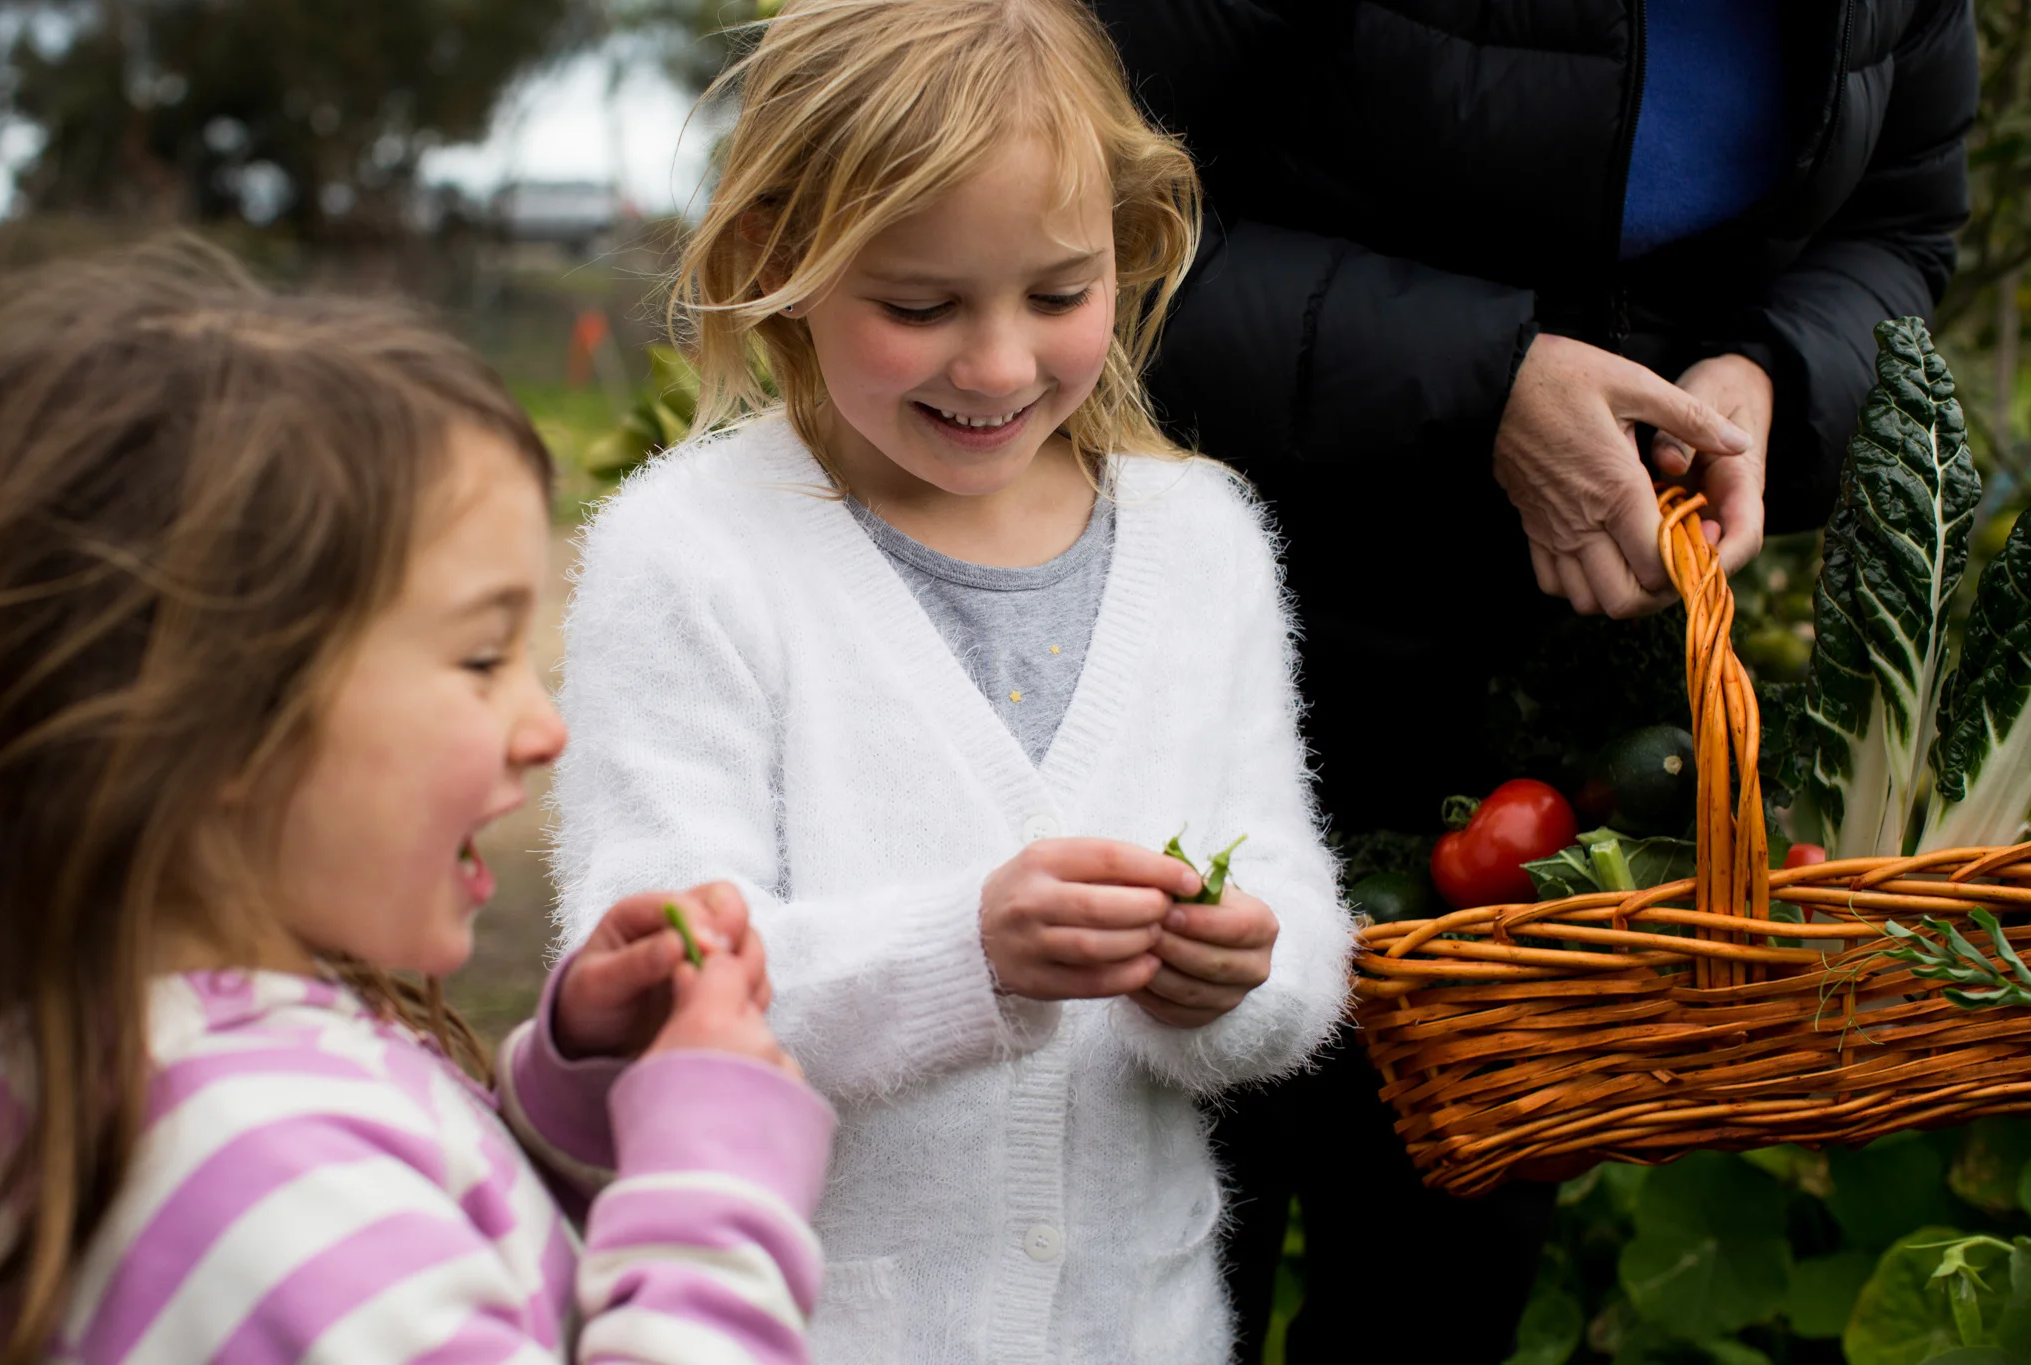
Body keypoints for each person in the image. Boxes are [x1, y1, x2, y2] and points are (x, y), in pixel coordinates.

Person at [1088, 0, 1979, 1359]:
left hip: (1547, 705)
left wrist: (1773, 371)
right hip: (1194, 639)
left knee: (1445, 1278)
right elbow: (1042, 203)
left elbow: (1902, 228)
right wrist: (1480, 376)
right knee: (1137, 1260)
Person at [548, 0, 1354, 1360]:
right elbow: (654, 978)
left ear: (1130, 243)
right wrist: (965, 954)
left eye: (1059, 294)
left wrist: (1235, 978)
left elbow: (1297, 910)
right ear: (779, 260)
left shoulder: (1203, 541)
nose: (995, 364)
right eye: (919, 306)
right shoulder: (689, 554)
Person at [0, 241, 834, 1364]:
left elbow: (444, 1251)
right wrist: (713, 1181)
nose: (547, 727)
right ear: (226, 716)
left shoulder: (188, 1068)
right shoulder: (255, 1179)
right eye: (483, 658)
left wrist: (576, 1082)